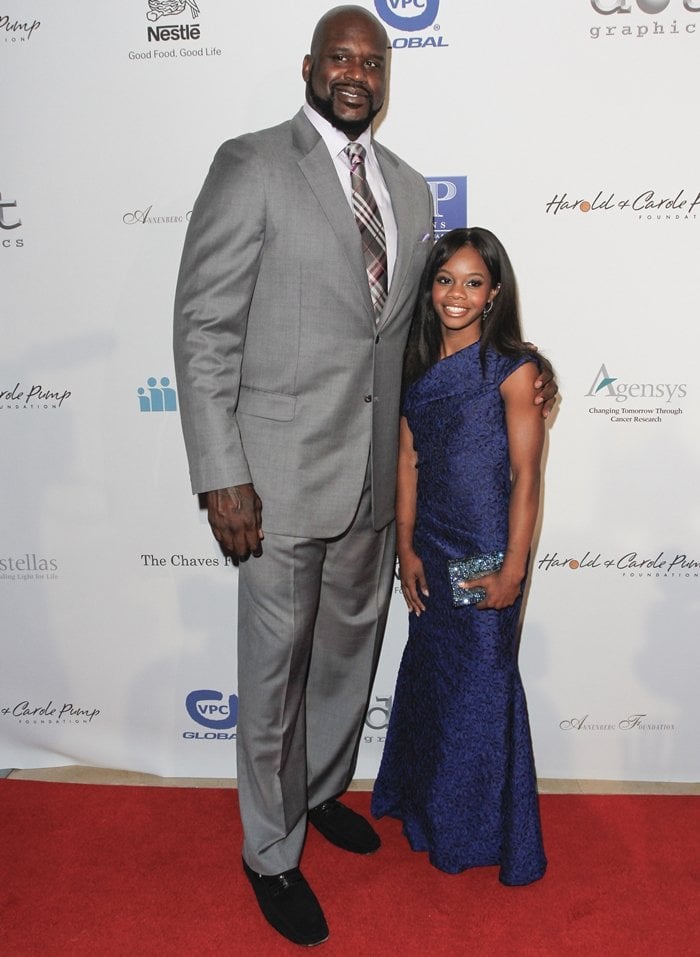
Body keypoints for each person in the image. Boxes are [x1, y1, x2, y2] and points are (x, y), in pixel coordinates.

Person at [173, 7, 556, 946]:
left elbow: (418, 339)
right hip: (272, 480)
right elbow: (204, 327)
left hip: (379, 488)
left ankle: (314, 794)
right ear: (310, 67)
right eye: (339, 58)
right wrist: (222, 470)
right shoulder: (253, 163)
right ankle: (270, 850)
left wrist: (520, 361)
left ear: (388, 77)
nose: (356, 73)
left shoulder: (410, 189)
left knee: (346, 664)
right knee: (273, 677)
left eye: (371, 61)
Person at [371, 227, 548, 887]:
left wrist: (514, 569)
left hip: (486, 551)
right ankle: (427, 809)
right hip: (433, 544)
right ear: (430, 288)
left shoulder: (514, 369)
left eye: (473, 282)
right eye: (446, 280)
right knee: (438, 681)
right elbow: (407, 462)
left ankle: (475, 830)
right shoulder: (414, 369)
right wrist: (407, 546)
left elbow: (527, 478)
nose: (457, 294)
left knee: (482, 683)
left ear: (493, 292)